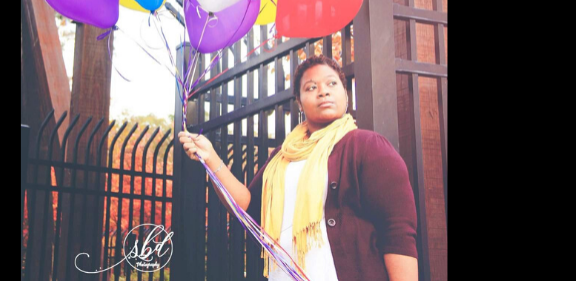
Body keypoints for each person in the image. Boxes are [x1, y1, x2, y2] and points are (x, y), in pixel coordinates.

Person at [179, 55, 419, 281]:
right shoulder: (283, 156)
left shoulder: (366, 146)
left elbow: (397, 230)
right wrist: (210, 157)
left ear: (345, 94)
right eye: (311, 87)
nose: (323, 91)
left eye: (331, 83)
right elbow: (247, 206)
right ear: (300, 102)